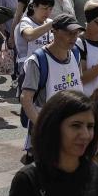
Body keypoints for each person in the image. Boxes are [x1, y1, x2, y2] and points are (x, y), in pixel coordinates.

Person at [19, 16, 83, 156]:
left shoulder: (76, 53)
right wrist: (44, 127)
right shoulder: (37, 61)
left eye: (76, 33)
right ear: (54, 31)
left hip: (73, 127)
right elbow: (26, 99)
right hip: (49, 131)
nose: (73, 37)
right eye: (69, 33)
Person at [14, 0, 55, 76]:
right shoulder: (26, 21)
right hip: (27, 66)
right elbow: (29, 36)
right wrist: (51, 25)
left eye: (50, 9)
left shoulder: (49, 22)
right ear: (34, 6)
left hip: (45, 65)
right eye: (44, 8)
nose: (47, 12)